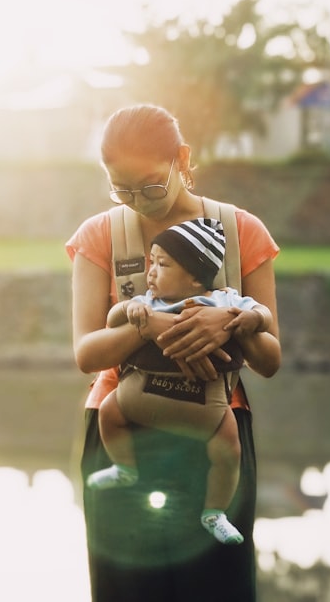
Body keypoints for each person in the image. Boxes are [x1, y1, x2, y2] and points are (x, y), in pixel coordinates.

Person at [66, 104, 281, 601]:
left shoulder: (241, 230)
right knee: (126, 588)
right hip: (121, 425)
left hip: (213, 429)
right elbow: (86, 353)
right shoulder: (100, 235)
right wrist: (153, 325)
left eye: (151, 185)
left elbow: (269, 360)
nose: (138, 202)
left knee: (217, 585)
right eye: (121, 189)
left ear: (182, 159)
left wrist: (227, 320)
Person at [85, 218, 280, 549]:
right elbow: (111, 321)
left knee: (229, 449)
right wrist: (131, 311)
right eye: (151, 262)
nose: (151, 272)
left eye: (163, 264)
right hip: (136, 402)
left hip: (208, 411)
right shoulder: (147, 302)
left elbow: (264, 316)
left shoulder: (225, 302)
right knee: (108, 411)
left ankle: (214, 511)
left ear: (194, 277)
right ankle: (125, 466)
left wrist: (249, 320)